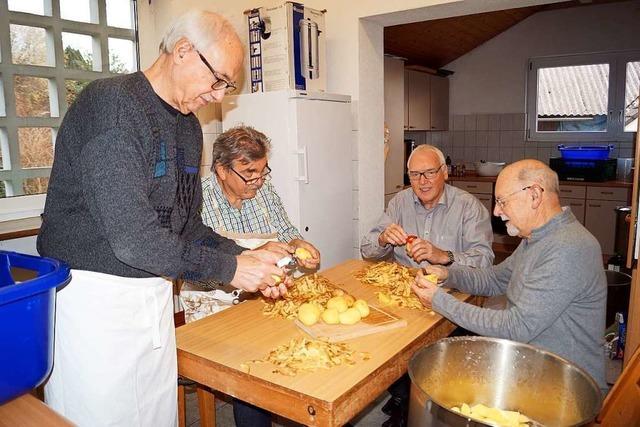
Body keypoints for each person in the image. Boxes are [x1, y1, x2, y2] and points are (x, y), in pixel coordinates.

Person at [37, 11, 289, 427]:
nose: (219, 95)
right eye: (219, 80)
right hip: (94, 301)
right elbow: (133, 240)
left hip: (151, 293)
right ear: (184, 51)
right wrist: (231, 268)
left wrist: (248, 255)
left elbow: (186, 226)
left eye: (227, 85)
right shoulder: (114, 105)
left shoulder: (189, 129)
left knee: (156, 415)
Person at [414, 159, 607, 393]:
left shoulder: (569, 247)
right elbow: (495, 279)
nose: (496, 211)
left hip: (564, 386)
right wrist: (448, 274)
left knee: (439, 380)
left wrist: (439, 300)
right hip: (533, 364)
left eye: (502, 201)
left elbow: (516, 326)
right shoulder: (536, 238)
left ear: (535, 195)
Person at [193, 124, 320, 427]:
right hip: (215, 305)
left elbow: (287, 233)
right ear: (222, 170)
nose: (258, 181)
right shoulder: (197, 199)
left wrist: (298, 243)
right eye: (249, 173)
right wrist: (249, 255)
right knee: (252, 363)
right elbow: (196, 269)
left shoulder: (265, 191)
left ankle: (316, 409)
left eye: (263, 171)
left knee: (309, 338)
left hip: (263, 296)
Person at [360, 144, 494, 427]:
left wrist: (443, 256)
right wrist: (383, 239)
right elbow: (366, 250)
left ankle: (412, 400)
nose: (422, 182)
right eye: (414, 174)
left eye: (429, 173)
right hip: (403, 295)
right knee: (376, 337)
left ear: (444, 172)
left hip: (450, 295)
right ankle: (401, 393)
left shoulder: (468, 206)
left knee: (435, 352)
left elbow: (485, 262)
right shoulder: (399, 202)